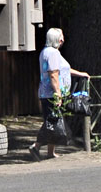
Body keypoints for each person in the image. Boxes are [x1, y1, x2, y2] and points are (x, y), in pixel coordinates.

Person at [30, 27, 89, 160]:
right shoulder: (52, 53)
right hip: (51, 95)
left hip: (48, 94)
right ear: (55, 39)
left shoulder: (48, 52)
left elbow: (63, 69)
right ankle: (36, 146)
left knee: (53, 121)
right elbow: (53, 74)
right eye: (60, 36)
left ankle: (51, 152)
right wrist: (58, 94)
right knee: (51, 122)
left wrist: (80, 74)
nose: (63, 39)